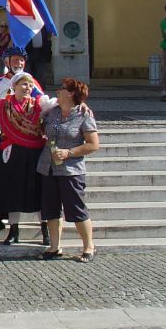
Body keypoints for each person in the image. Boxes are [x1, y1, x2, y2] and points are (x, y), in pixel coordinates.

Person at [0, 72, 57, 246]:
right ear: (15, 86)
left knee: (39, 191)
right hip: (13, 152)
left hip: (35, 152)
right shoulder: (3, 106)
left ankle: (45, 230)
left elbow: (61, 107)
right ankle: (14, 230)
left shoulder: (39, 105)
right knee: (13, 190)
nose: (28, 88)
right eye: (24, 85)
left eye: (30, 85)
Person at [39, 78, 100, 263]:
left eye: (61, 89)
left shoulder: (83, 115)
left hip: (71, 170)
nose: (57, 91)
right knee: (50, 209)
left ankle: (89, 246)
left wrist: (69, 152)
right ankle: (55, 247)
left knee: (76, 209)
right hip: (48, 166)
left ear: (71, 93)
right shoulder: (52, 112)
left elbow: (93, 144)